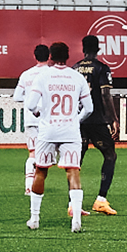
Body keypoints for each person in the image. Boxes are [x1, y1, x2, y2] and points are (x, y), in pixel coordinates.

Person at [25, 41, 92, 233]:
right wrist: (75, 120)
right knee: (73, 172)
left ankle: (34, 219)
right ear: (68, 56)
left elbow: (30, 105)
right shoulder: (77, 77)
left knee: (41, 171)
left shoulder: (43, 76)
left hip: (48, 130)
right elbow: (89, 108)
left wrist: (39, 113)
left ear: (51, 57)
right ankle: (76, 220)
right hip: (70, 131)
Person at [75, 34, 119, 215]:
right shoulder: (102, 68)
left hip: (78, 120)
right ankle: (100, 200)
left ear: (83, 49)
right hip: (96, 120)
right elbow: (105, 95)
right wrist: (113, 119)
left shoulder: (75, 68)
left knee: (76, 161)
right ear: (99, 48)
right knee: (110, 155)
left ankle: (73, 203)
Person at [12, 44, 49, 196]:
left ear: (35, 56)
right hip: (47, 120)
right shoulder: (51, 74)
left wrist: (29, 99)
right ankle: (38, 184)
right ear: (49, 56)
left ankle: (29, 186)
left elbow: (17, 96)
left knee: (32, 153)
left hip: (31, 119)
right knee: (47, 155)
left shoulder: (26, 74)